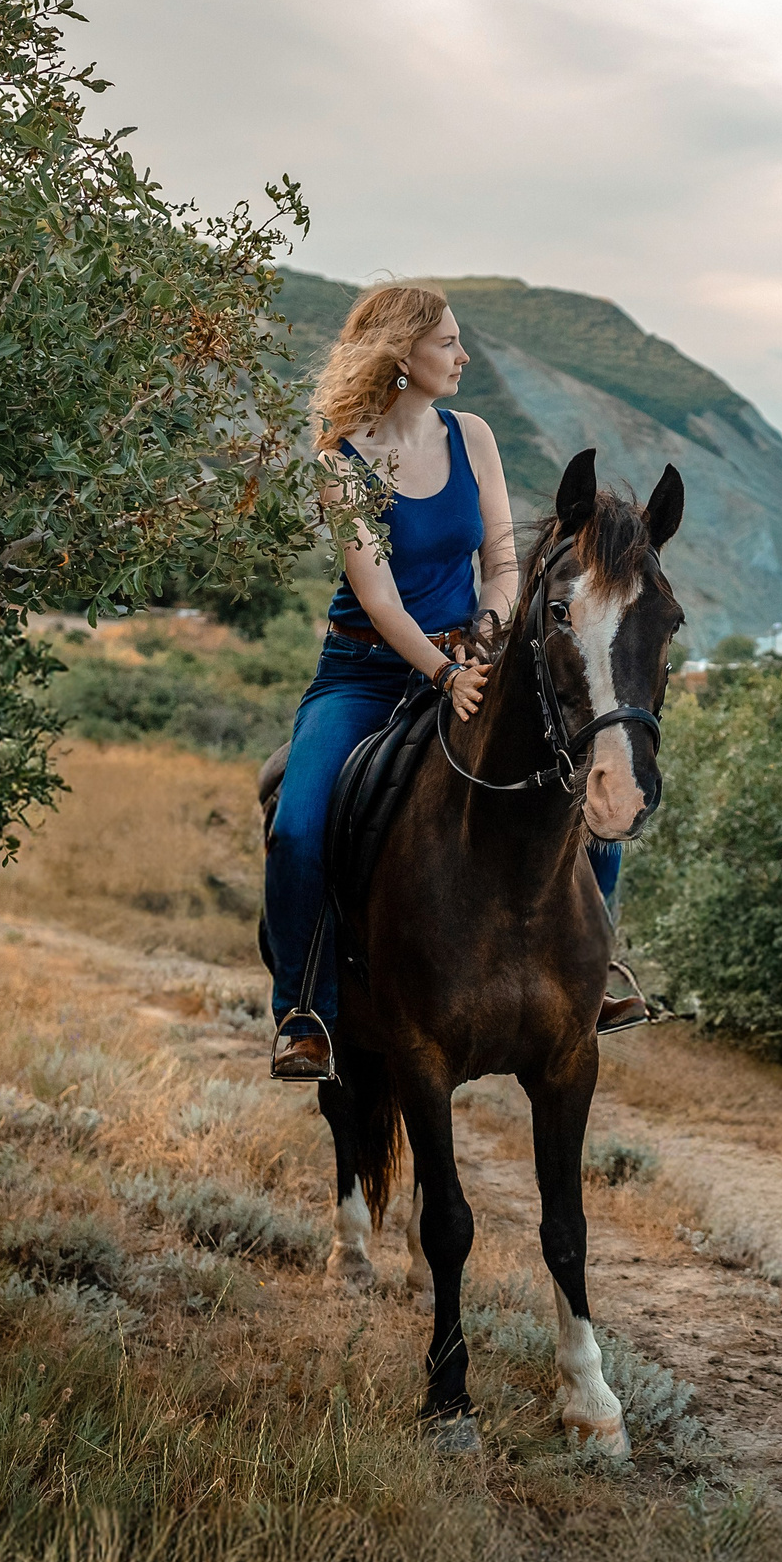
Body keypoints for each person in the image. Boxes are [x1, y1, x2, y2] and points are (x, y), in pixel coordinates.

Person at [263, 284, 632, 1082]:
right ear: (402, 354)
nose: (464, 357)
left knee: (585, 784)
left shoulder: (474, 435)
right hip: (366, 671)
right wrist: (439, 670)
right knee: (297, 826)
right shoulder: (342, 457)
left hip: (476, 655)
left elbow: (501, 562)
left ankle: (596, 977)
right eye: (449, 345)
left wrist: (485, 641)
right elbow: (378, 594)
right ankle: (304, 1011)